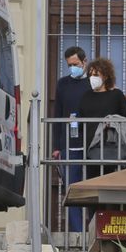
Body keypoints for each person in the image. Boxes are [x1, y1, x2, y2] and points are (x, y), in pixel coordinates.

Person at [51, 46, 91, 233]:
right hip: (68, 145)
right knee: (72, 191)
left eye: (75, 64)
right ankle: (77, 232)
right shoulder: (63, 84)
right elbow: (57, 114)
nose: (72, 68)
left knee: (92, 190)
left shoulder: (93, 82)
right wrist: (56, 146)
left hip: (91, 146)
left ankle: (93, 231)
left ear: (84, 62)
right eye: (69, 65)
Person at [78, 57, 126, 179]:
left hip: (111, 147)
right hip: (90, 147)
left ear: (106, 76)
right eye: (90, 74)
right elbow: (81, 120)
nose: (92, 77)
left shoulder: (116, 95)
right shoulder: (86, 96)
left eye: (96, 74)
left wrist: (112, 122)